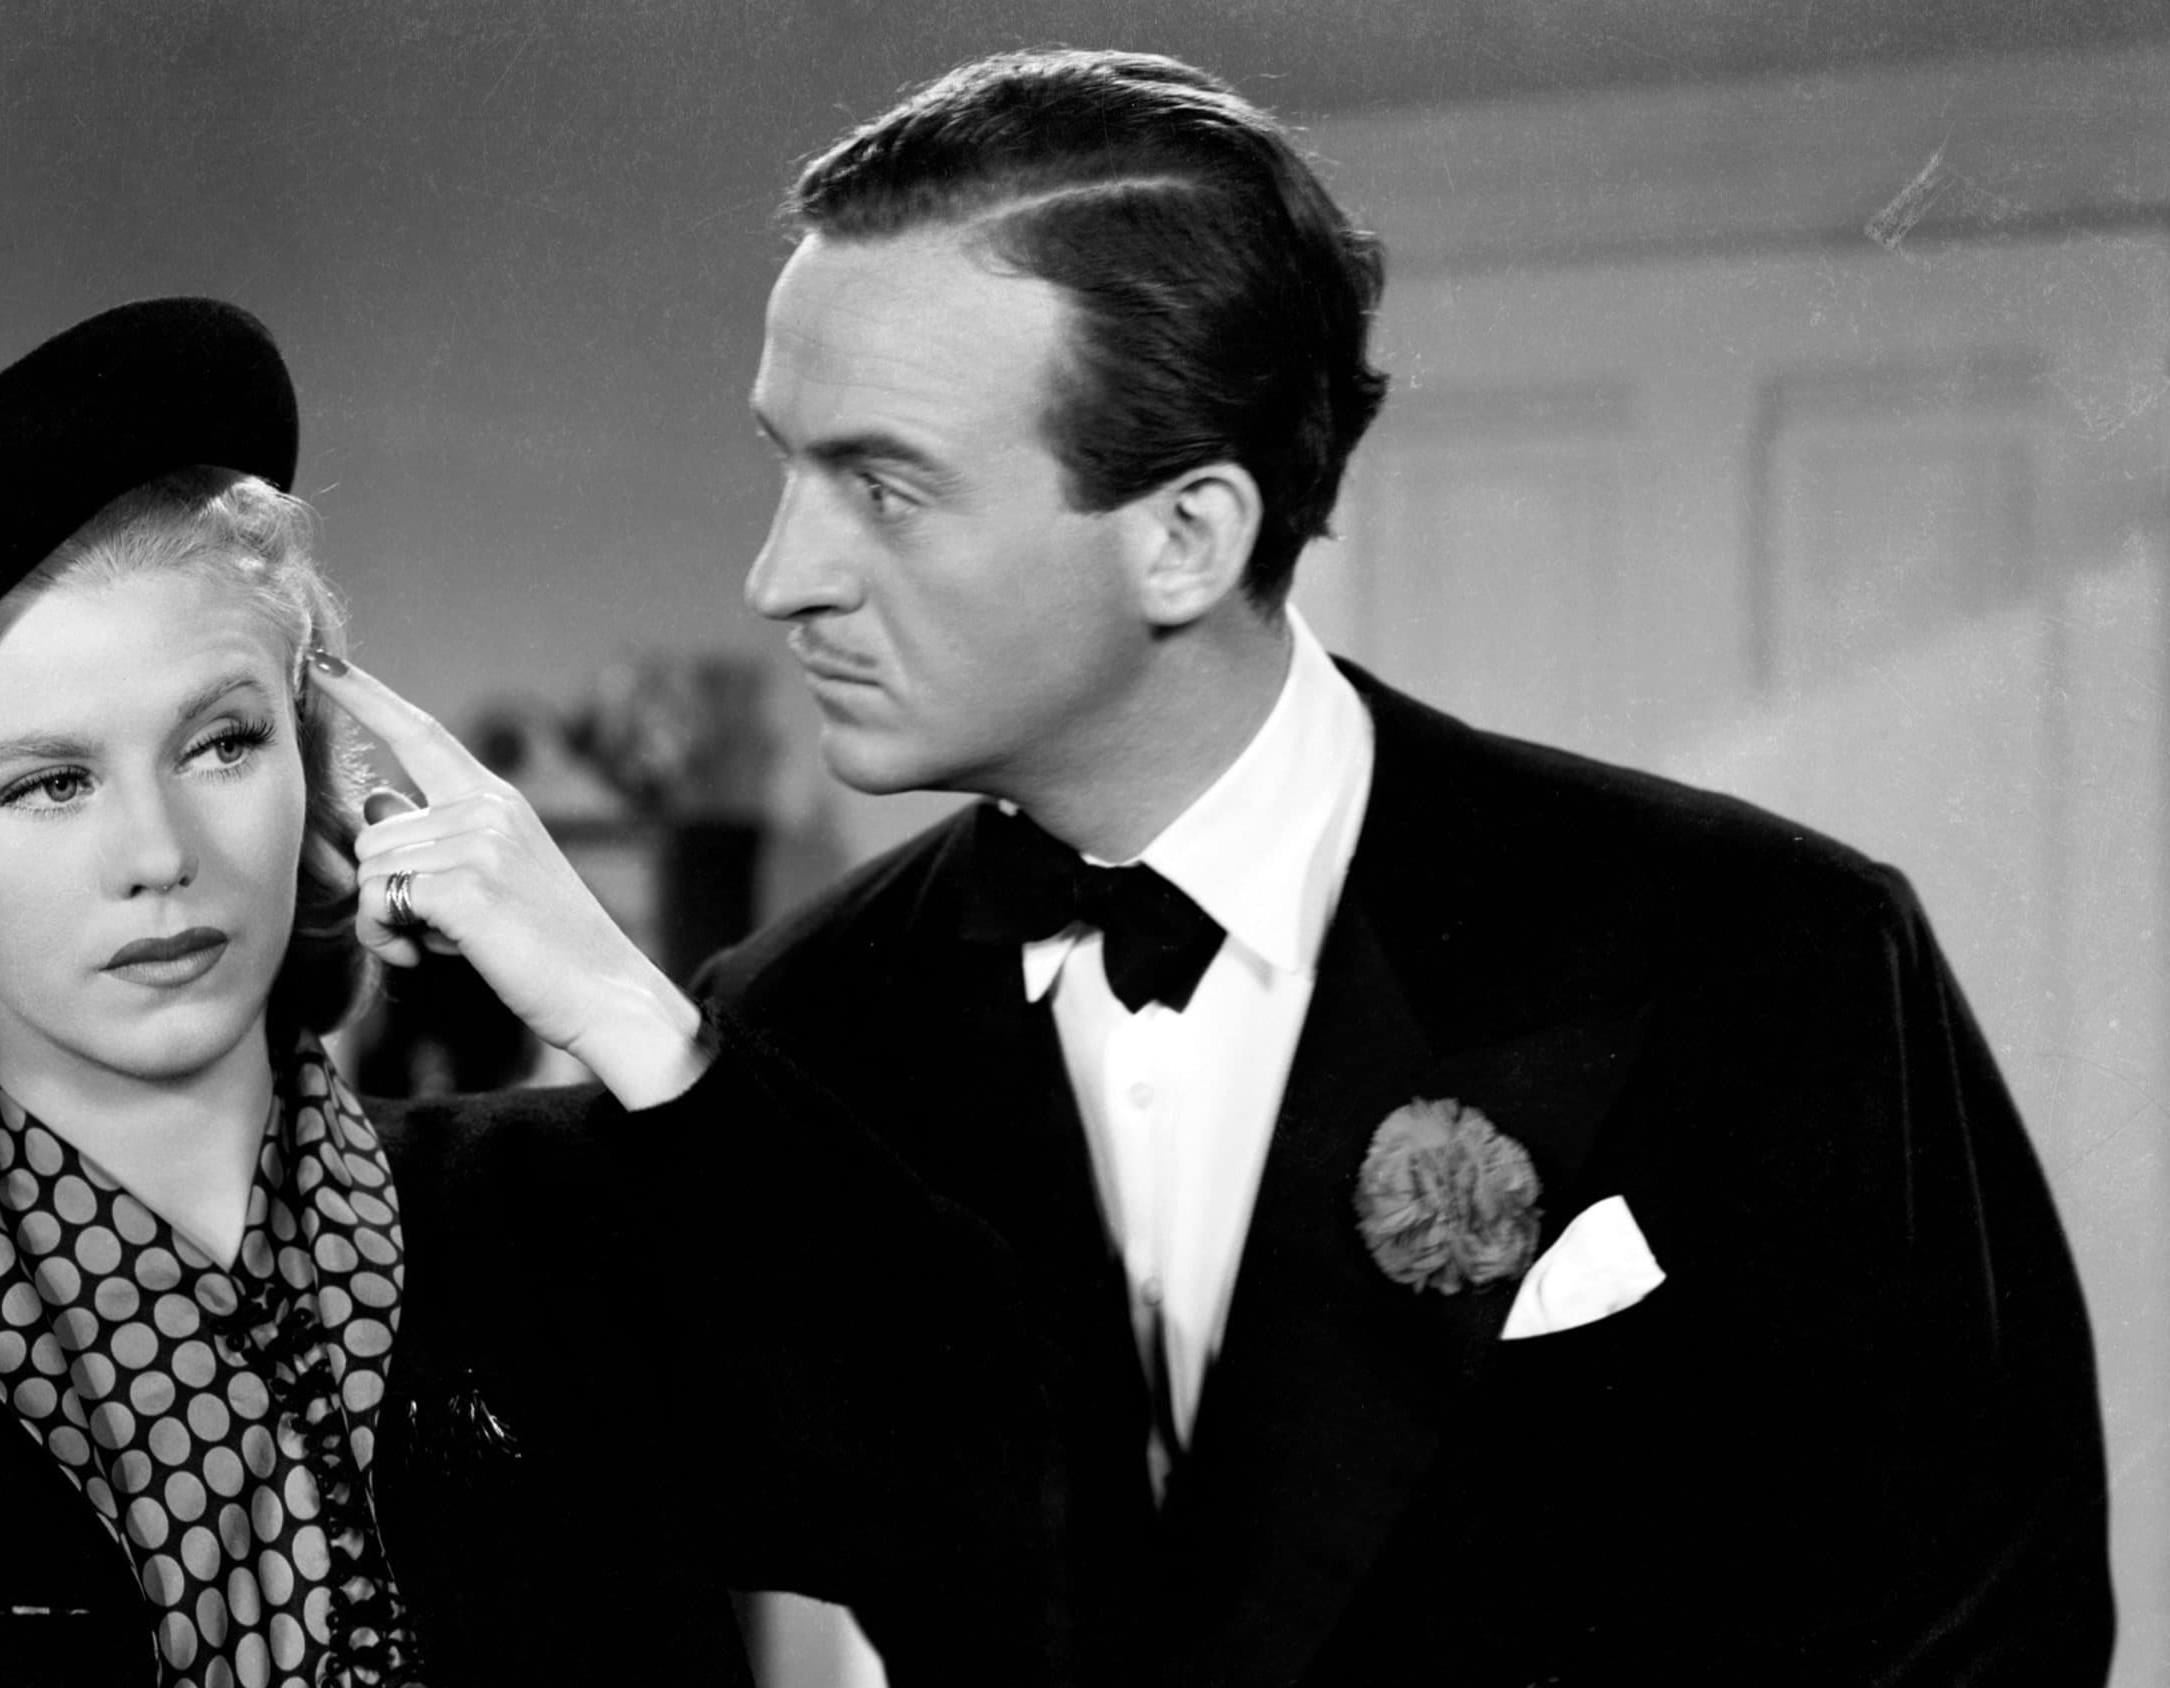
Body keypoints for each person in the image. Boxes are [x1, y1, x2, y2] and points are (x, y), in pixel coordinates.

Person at [694, 47, 2114, 1684]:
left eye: (883, 488)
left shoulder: (1772, 949)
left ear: (1186, 538)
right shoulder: (794, 1027)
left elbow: (1985, 1630)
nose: (781, 576)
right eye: (787, 464)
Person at [0, 298, 1045, 1687]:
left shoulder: (584, 1226)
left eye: (222, 743)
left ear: (308, 753)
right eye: (49, 783)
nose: (160, 855)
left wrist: (625, 1010)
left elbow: (1021, 1509)